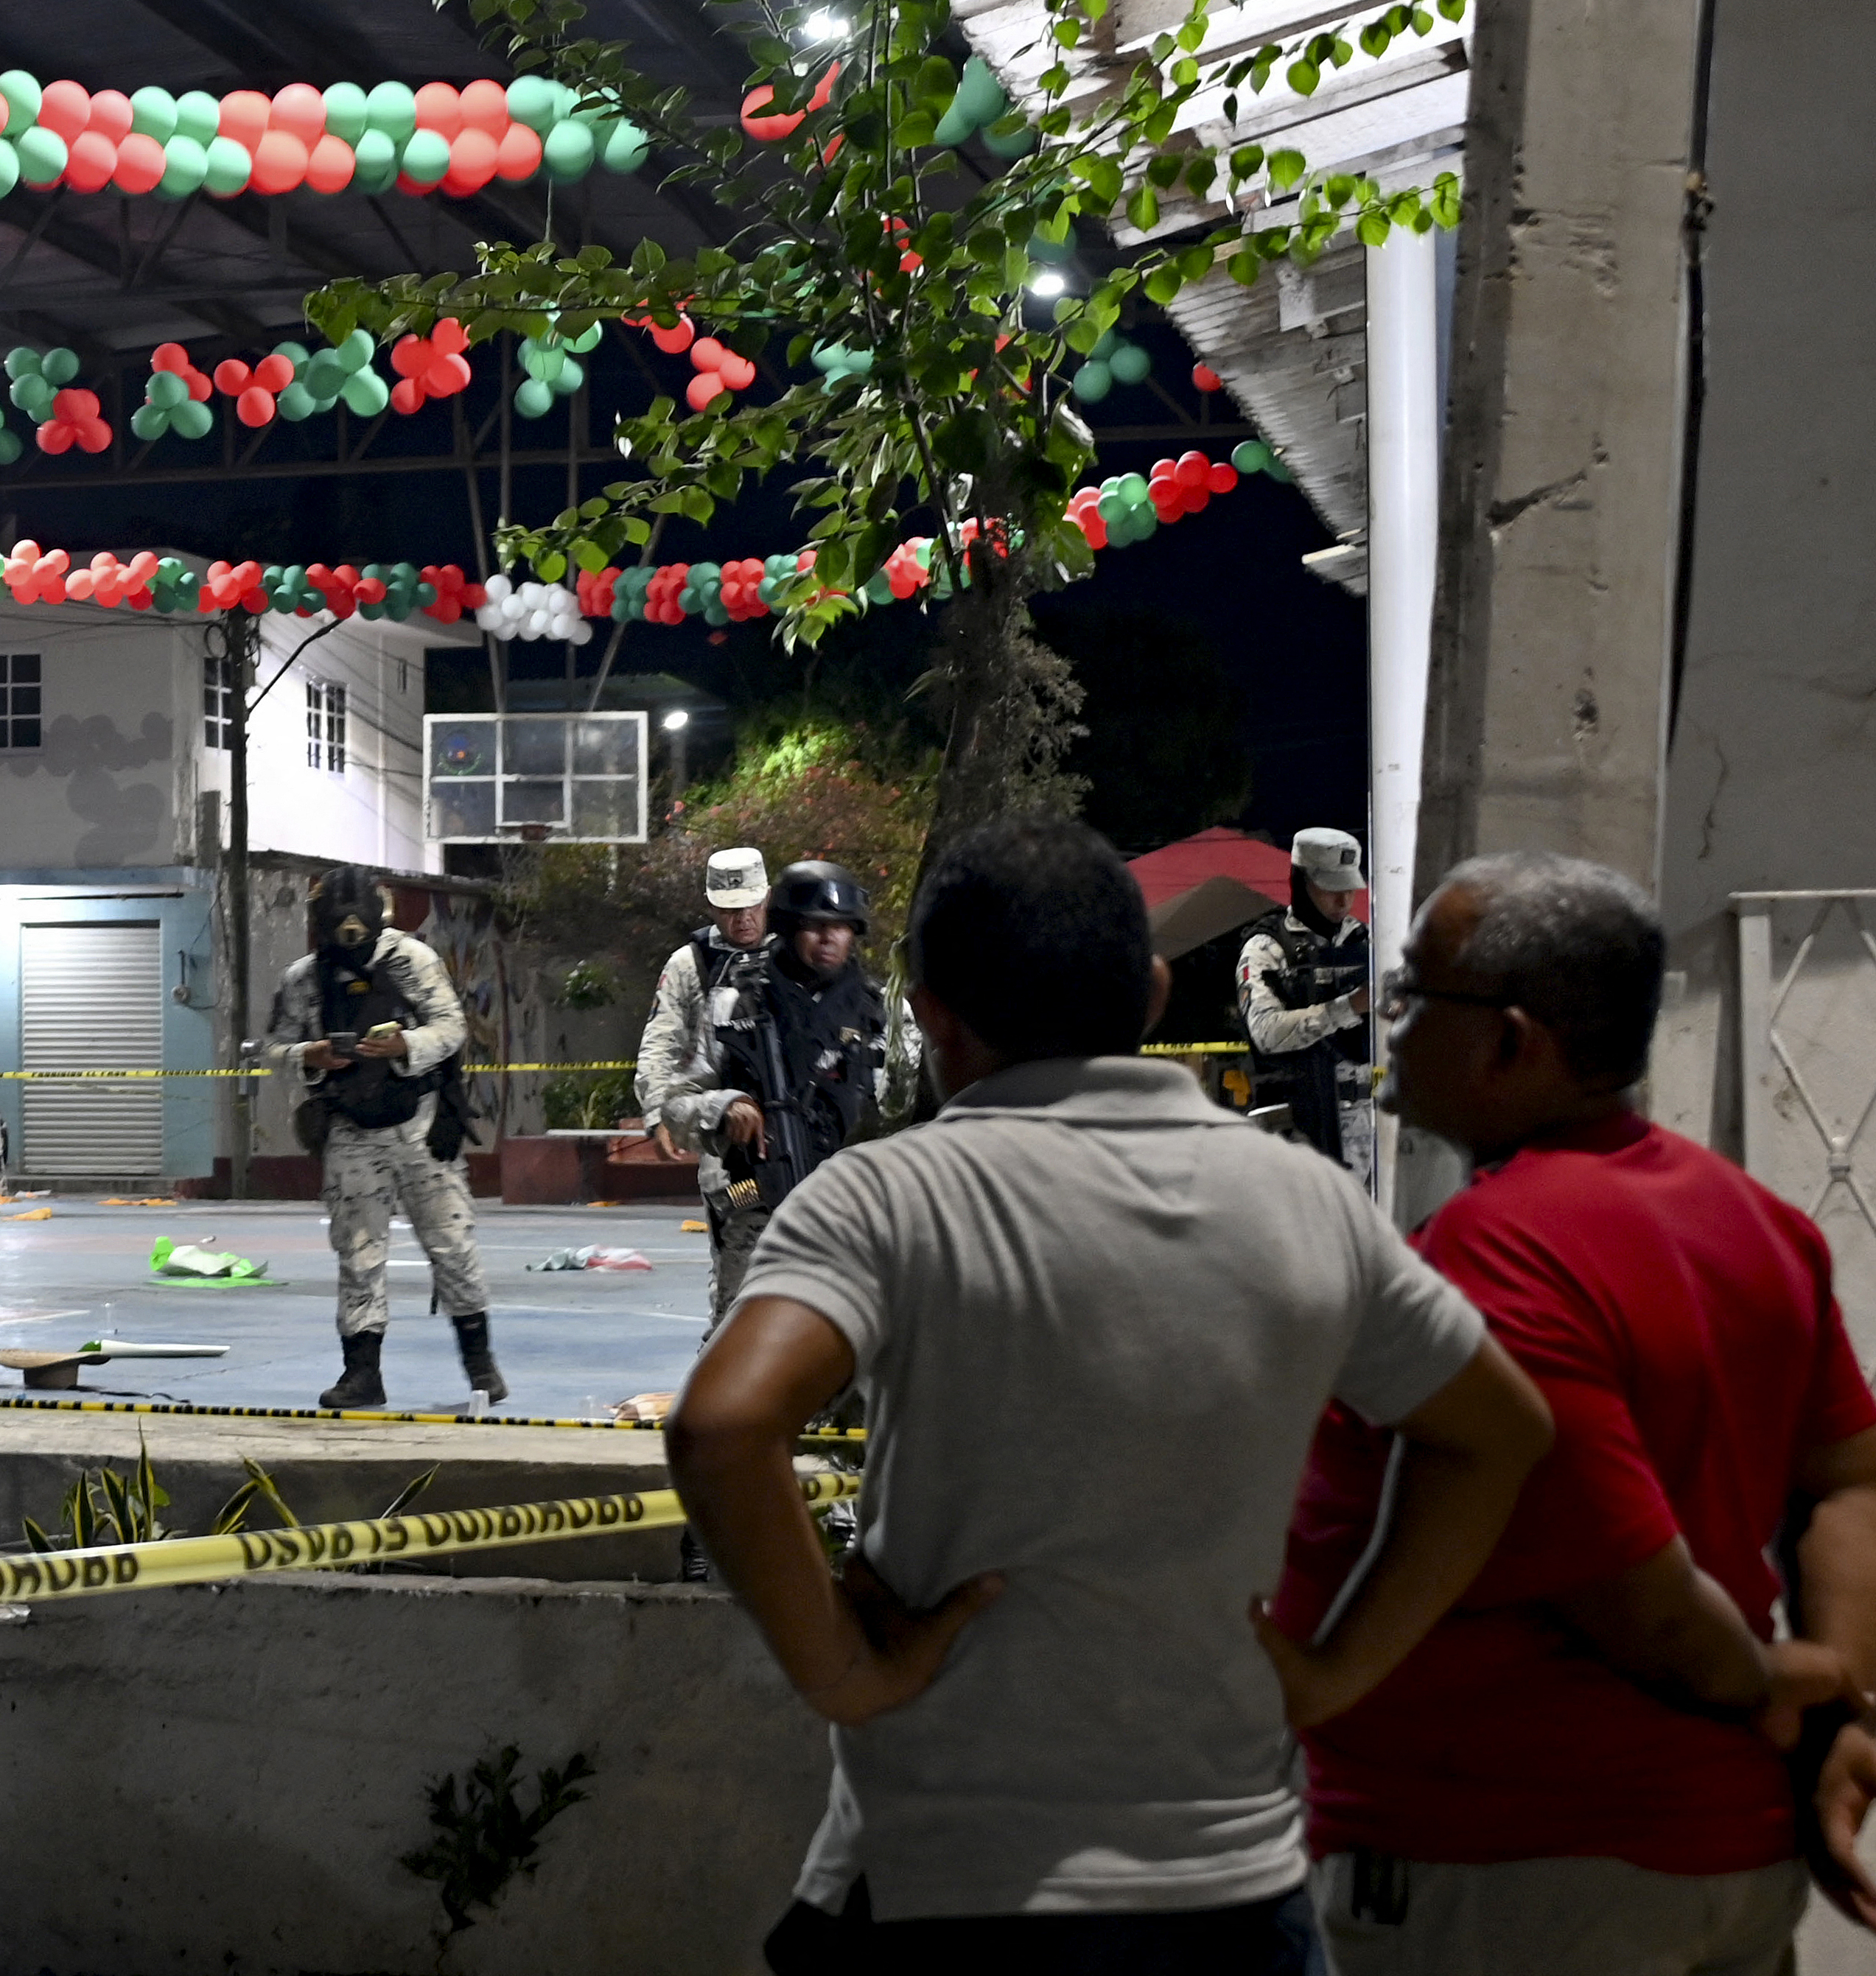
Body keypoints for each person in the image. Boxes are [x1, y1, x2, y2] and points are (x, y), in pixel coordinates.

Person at [665, 815, 1553, 1972]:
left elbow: (724, 1423)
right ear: (1146, 994)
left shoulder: (883, 1197)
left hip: (943, 1876)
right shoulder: (1297, 1197)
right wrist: (1337, 1672)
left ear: (930, 1012)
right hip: (1233, 1889)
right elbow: (1498, 1432)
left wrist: (843, 1668)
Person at [1271, 851, 1876, 1975]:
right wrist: (1844, 1714)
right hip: (1715, 1859)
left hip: (1523, 1874)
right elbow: (1848, 1477)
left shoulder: (1497, 1252)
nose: (1389, 1026)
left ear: (1509, 1042)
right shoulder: (1749, 1219)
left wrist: (1783, 1682)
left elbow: (1631, 1593)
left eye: (1411, 997)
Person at [263, 864, 500, 1410]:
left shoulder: (412, 960)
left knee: (454, 1248)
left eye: (359, 930)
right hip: (350, 1130)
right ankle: (361, 1373)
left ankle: (481, 1364)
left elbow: (451, 1027)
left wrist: (404, 1046)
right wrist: (308, 1055)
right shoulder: (302, 979)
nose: (350, 941)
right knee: (358, 1255)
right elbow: (273, 1047)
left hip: (419, 1125)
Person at [664, 860, 886, 1328]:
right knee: (738, 1337)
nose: (829, 938)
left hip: (856, 1211)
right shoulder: (734, 1004)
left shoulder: (882, 1013)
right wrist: (724, 1107)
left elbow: (918, 1115)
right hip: (760, 1211)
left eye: (841, 928)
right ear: (788, 928)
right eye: (814, 927)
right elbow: (677, 1103)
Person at [637, 847, 775, 1318]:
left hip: (804, 1138)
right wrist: (658, 1115)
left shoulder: (796, 952)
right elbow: (660, 1044)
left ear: (768, 898)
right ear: (712, 907)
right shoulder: (690, 965)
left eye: (752, 906)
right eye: (730, 910)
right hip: (728, 1142)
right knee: (737, 1295)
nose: (743, 920)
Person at [1242, 827, 1378, 1184]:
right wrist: (1348, 1007)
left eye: (1349, 887)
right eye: (1332, 888)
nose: (1344, 899)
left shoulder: (1370, 942)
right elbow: (1267, 1033)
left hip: (1370, 1137)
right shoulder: (1268, 947)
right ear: (1302, 882)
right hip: (1296, 1138)